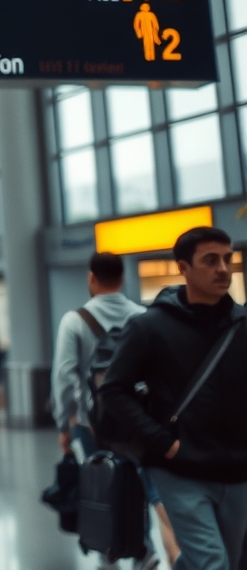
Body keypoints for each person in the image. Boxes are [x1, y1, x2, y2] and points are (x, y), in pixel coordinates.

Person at [100, 227, 247, 570]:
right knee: (213, 562)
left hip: (238, 470)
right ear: (183, 268)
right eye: (210, 261)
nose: (223, 269)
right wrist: (164, 444)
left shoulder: (242, 326)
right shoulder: (149, 327)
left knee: (225, 559)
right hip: (179, 468)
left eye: (227, 259)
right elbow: (114, 391)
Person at [52, 251, 177, 569]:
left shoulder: (74, 320)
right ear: (122, 279)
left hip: (91, 422)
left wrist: (64, 424)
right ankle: (142, 547)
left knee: (104, 483)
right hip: (138, 419)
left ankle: (116, 546)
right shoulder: (142, 316)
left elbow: (65, 377)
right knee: (140, 481)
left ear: (92, 278)